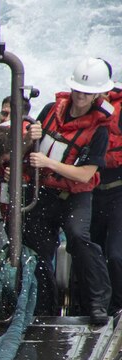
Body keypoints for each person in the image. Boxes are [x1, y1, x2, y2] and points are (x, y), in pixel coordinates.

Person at [25, 57, 114, 323]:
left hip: (75, 196)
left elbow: (86, 173)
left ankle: (99, 302)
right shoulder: (51, 110)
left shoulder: (100, 129)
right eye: (77, 90)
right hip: (44, 193)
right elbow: (30, 151)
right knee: (37, 250)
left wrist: (49, 163)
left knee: (78, 237)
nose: (80, 97)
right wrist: (31, 138)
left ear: (97, 94)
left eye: (87, 93)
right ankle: (42, 306)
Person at [92, 60, 122, 315]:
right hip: (88, 192)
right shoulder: (70, 111)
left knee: (116, 255)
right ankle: (89, 305)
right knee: (88, 251)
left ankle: (118, 306)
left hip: (118, 191)